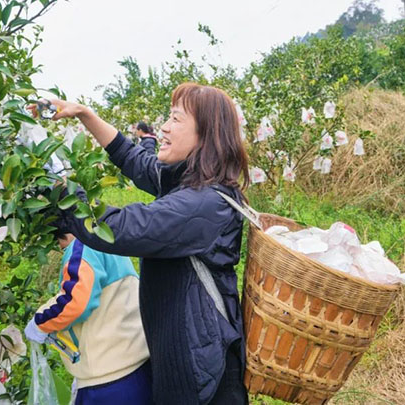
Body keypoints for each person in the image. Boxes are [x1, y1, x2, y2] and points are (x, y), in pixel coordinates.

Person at [41, 82, 251, 405]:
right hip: (187, 357)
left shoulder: (205, 205)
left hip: (202, 376)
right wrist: (84, 113)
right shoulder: (187, 182)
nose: (164, 127)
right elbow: (134, 158)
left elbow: (122, 229)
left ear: (205, 136)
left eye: (176, 119)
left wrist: (62, 191)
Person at [24, 221, 152, 405]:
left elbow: (74, 301)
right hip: (136, 364)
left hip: (108, 379)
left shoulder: (83, 247)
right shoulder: (106, 238)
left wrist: (40, 322)